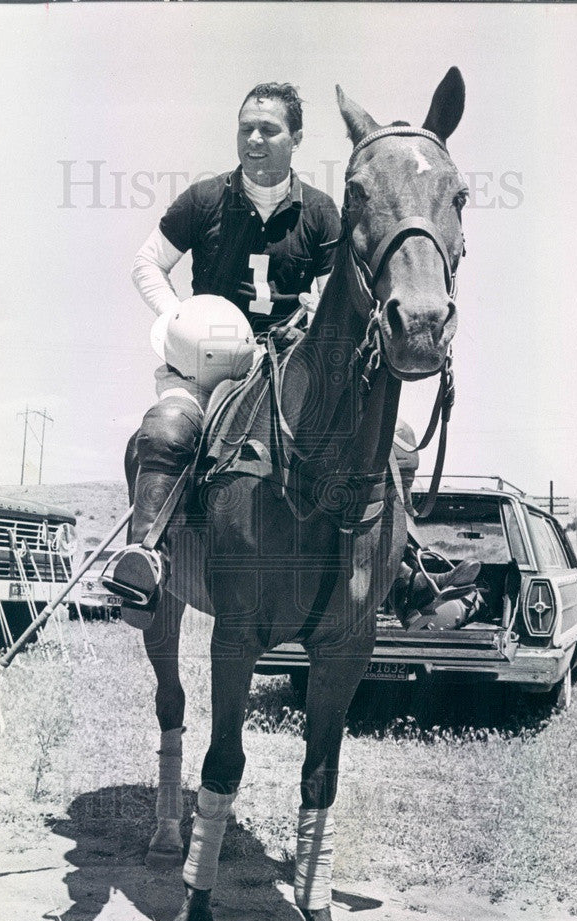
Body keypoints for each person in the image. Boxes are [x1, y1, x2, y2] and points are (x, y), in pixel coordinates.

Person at [105, 82, 342, 627]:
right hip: (206, 369)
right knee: (165, 427)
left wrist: (314, 312)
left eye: (269, 129)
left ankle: (402, 570)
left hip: (287, 369)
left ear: (296, 138)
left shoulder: (324, 214)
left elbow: (335, 297)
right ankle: (143, 559)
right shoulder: (204, 198)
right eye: (246, 128)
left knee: (371, 431)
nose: (254, 138)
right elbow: (147, 264)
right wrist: (177, 320)